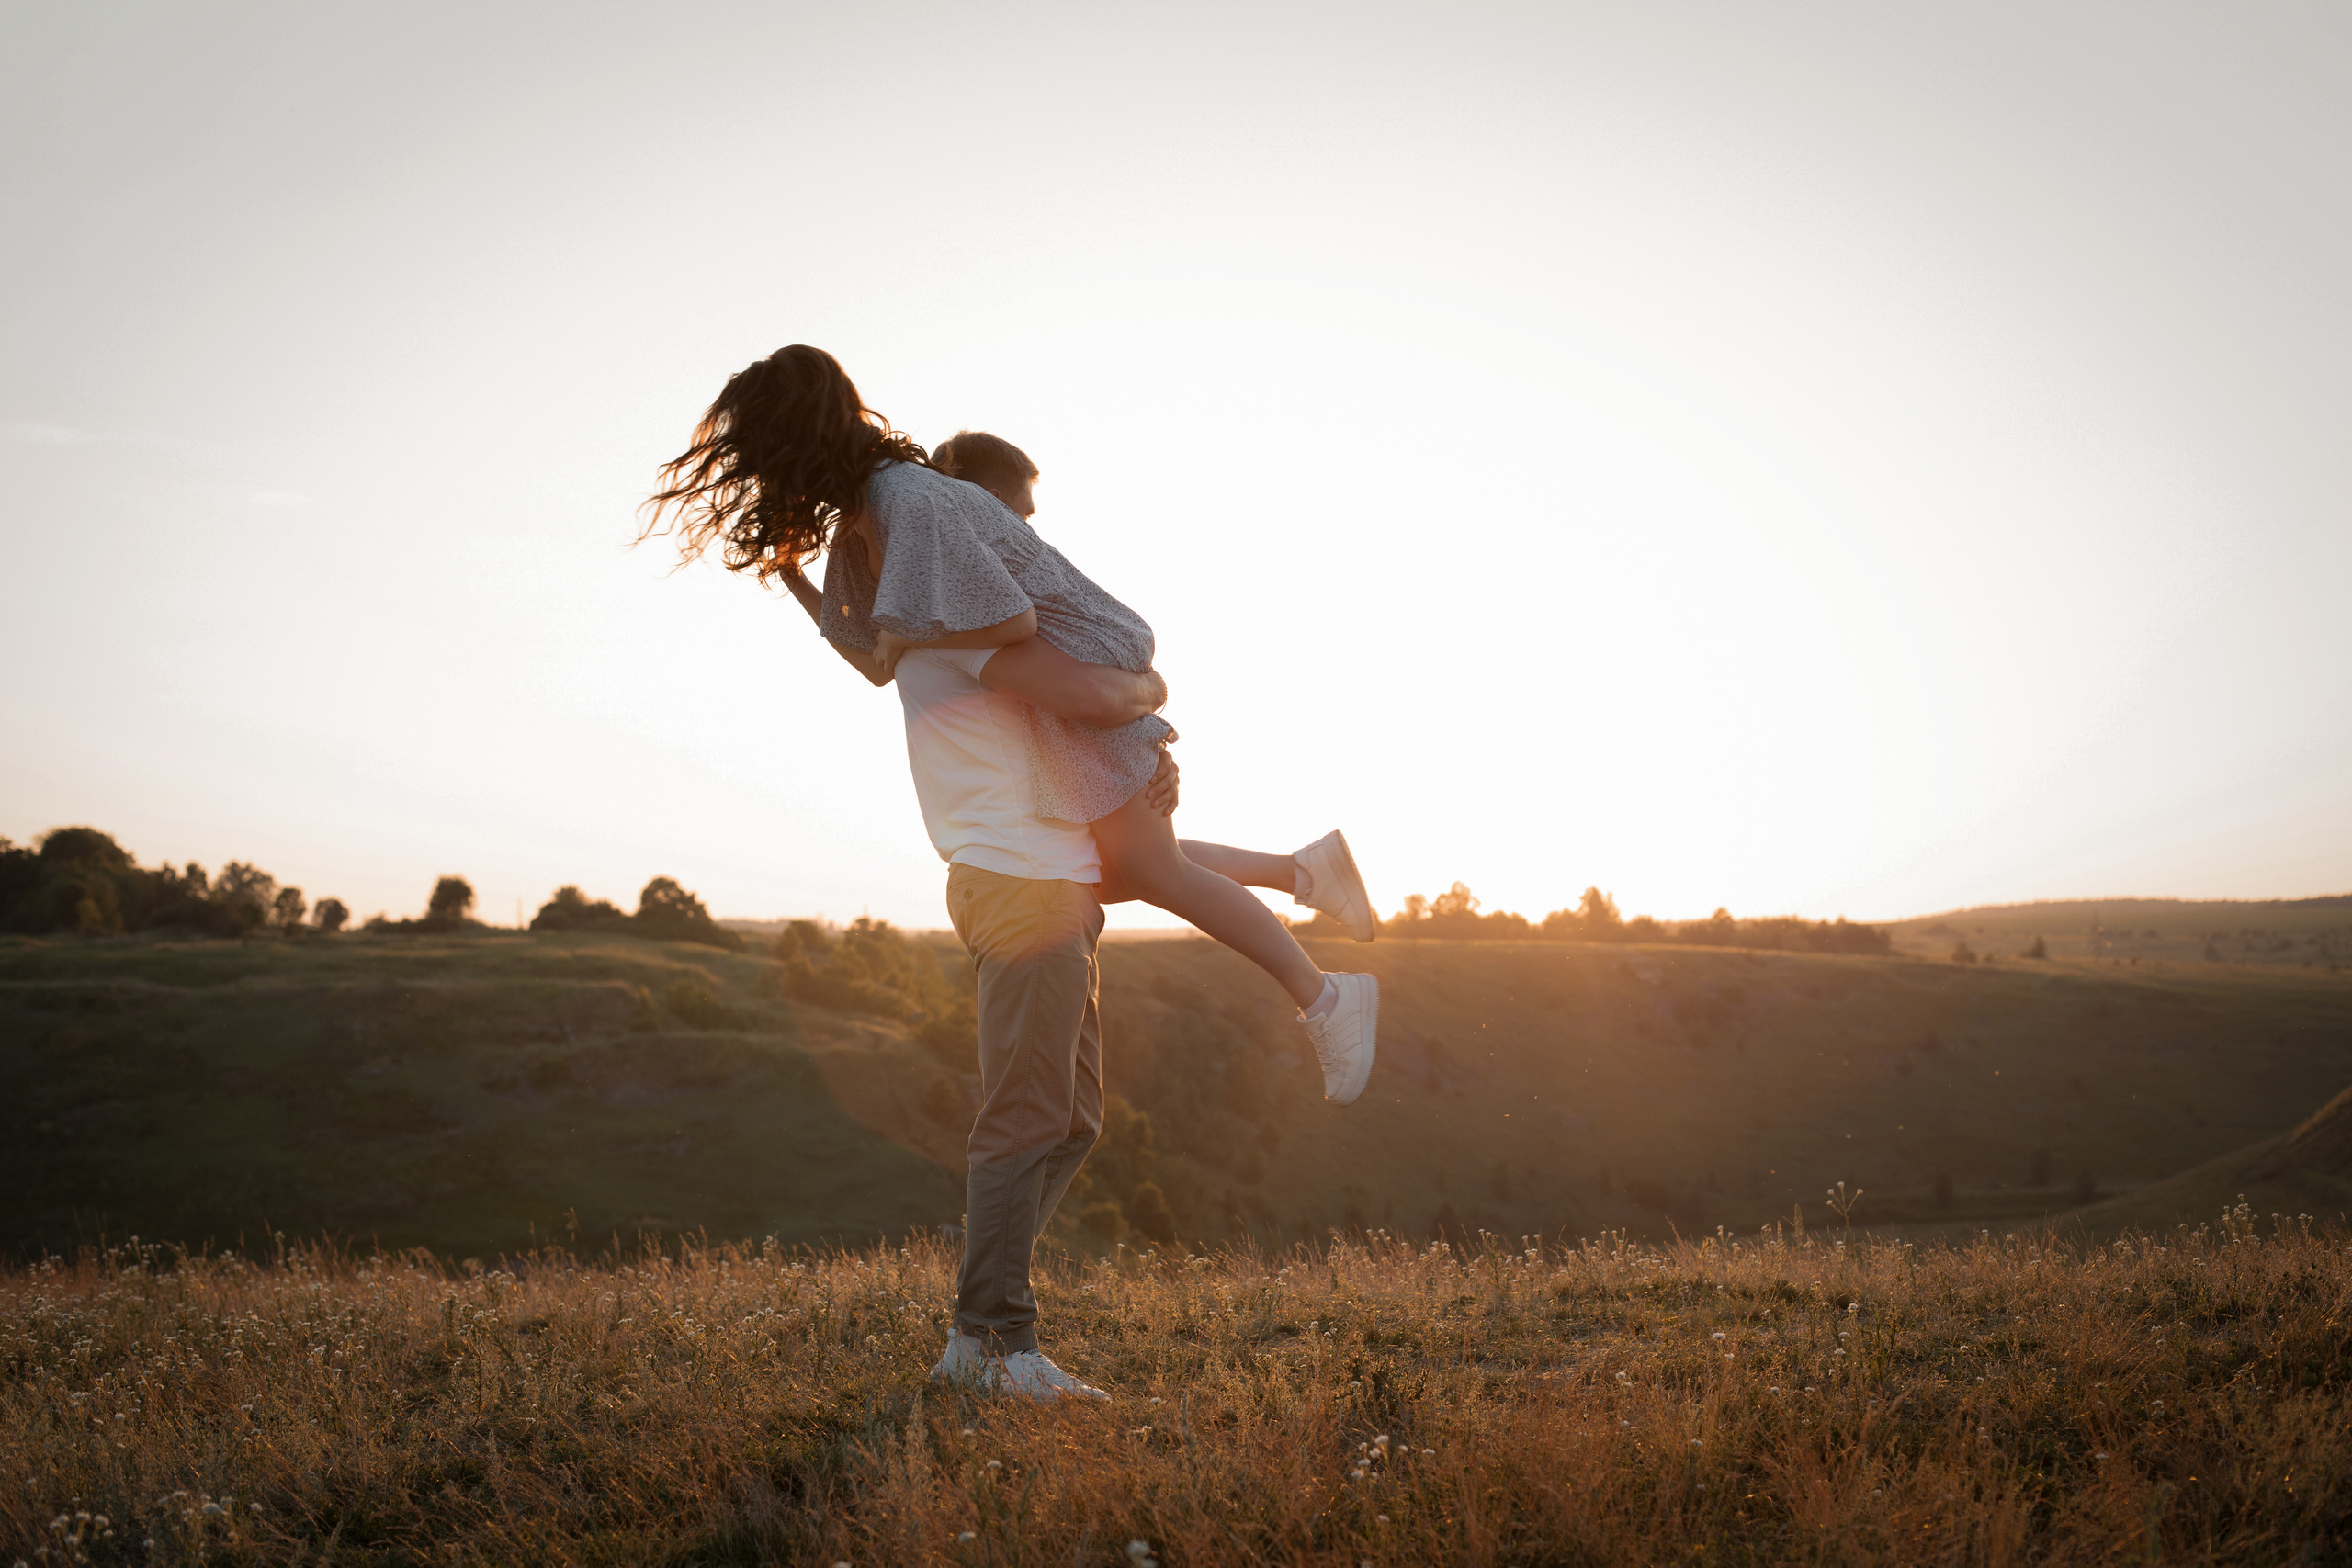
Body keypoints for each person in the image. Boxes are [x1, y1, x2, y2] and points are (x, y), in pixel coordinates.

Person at [642, 345, 1374, 1400]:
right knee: (1026, 1119)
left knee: (1070, 1119)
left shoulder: (911, 538)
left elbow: (936, 642)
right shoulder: (922, 575)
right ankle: (990, 1342)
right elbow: (1022, 655)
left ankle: (983, 1319)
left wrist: (803, 574)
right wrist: (1141, 689)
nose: (1018, 545)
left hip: (1035, 875)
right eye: (1007, 530)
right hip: (1019, 879)